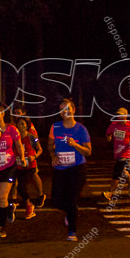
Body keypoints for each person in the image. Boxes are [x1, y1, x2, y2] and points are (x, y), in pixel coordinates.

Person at [48, 99, 92, 239]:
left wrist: (75, 145)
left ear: (73, 110)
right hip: (61, 169)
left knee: (72, 199)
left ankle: (72, 231)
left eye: (67, 109)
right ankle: (70, 211)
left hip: (77, 168)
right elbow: (50, 145)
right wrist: (53, 156)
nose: (64, 112)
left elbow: (88, 152)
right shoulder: (55, 127)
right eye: (61, 109)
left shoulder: (80, 129)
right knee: (56, 201)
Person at [0, 101, 24, 239]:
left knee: (2, 198)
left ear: (3, 114)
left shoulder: (11, 129)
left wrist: (23, 157)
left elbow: (18, 145)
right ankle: (9, 208)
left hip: (8, 167)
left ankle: (1, 227)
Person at [104, 108, 130, 200]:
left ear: (126, 115)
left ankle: (110, 192)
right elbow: (108, 134)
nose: (119, 117)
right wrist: (109, 138)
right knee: (123, 170)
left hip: (127, 152)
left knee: (117, 172)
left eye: (121, 115)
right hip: (118, 151)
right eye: (118, 115)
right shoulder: (114, 125)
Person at [15, 117, 43, 219]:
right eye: (18, 123)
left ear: (27, 126)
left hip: (30, 165)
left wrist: (33, 157)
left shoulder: (32, 137)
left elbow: (40, 150)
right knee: (19, 186)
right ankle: (28, 204)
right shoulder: (15, 137)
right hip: (18, 165)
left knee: (21, 185)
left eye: (22, 124)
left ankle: (29, 205)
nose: (20, 126)